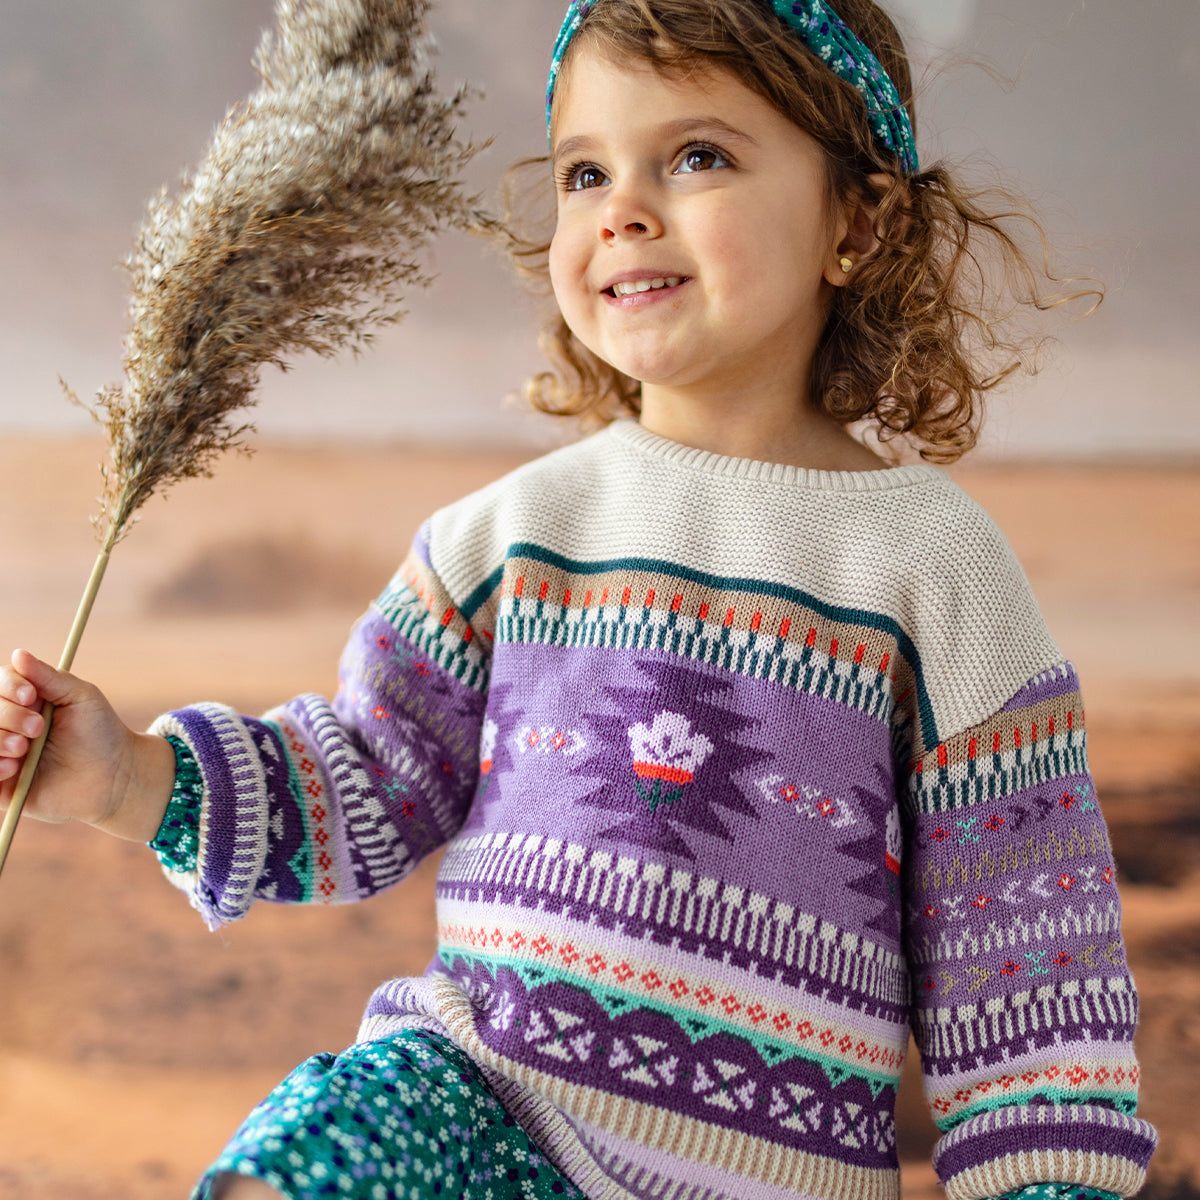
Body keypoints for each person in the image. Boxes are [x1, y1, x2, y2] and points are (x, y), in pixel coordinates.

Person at [0, 1, 1158, 1197]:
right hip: (477, 1106)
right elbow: (363, 777)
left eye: (697, 156)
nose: (623, 210)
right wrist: (128, 778)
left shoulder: (936, 569)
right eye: (585, 172)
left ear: (859, 221)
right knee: (304, 1160)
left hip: (758, 1180)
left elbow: (1027, 980)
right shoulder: (509, 538)